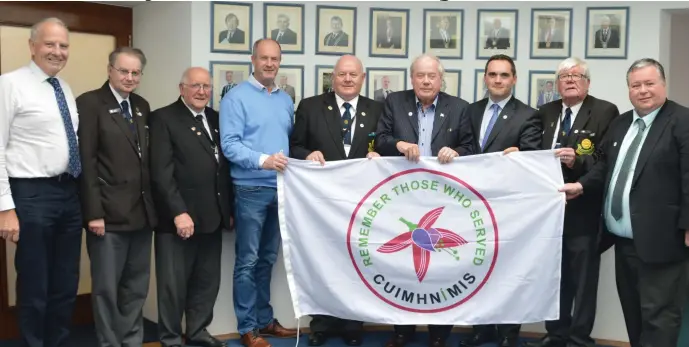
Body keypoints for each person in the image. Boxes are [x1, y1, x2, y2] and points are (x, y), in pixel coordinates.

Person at [561, 58, 689, 347]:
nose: (643, 90)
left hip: (664, 239)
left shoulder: (682, 121)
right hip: (623, 241)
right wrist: (581, 185)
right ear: (629, 90)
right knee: (634, 314)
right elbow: (603, 165)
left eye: (649, 83)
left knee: (659, 317)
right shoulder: (621, 124)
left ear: (663, 85)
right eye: (636, 85)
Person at [375, 53, 473, 347]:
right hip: (402, 198)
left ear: (441, 79)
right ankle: (401, 332)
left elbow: (471, 146)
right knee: (400, 266)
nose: (426, 81)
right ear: (412, 78)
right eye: (420, 75)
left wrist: (456, 153)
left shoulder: (460, 107)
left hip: (444, 201)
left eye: (432, 76)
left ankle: (439, 334)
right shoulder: (395, 103)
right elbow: (380, 139)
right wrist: (399, 144)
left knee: (441, 268)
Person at [0, 17, 82, 347]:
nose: (57, 51)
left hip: (68, 193)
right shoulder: (9, 84)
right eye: (50, 44)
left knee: (65, 282)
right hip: (30, 194)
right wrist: (5, 207)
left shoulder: (64, 87)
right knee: (35, 282)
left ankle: (58, 342)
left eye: (63, 45)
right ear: (32, 46)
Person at [290, 54, 382, 346]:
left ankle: (353, 325)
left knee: (357, 262)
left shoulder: (377, 109)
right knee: (324, 262)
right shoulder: (311, 106)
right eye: (341, 74)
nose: (347, 79)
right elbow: (295, 145)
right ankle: (322, 325)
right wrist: (307, 154)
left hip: (362, 202)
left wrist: (380, 155)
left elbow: (387, 145)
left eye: (353, 75)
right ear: (333, 77)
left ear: (362, 78)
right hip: (321, 204)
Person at [527, 57, 619, 347]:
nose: (569, 80)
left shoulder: (605, 111)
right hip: (549, 212)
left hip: (584, 211)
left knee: (583, 280)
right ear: (557, 83)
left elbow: (606, 159)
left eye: (576, 75)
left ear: (587, 82)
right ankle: (556, 334)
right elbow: (532, 155)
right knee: (555, 276)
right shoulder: (544, 112)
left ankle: (579, 338)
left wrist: (577, 161)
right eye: (564, 76)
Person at [220, 38, 299, 347]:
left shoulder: (285, 99)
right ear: (252, 59)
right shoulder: (235, 97)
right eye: (264, 58)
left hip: (281, 189)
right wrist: (263, 160)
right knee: (248, 261)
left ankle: (265, 319)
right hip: (250, 189)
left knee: (268, 259)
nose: (269, 63)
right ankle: (247, 327)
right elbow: (229, 145)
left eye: (275, 58)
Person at [459, 54, 542, 347]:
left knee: (509, 270)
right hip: (473, 204)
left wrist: (519, 154)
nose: (497, 80)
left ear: (514, 79)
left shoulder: (529, 114)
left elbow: (532, 156)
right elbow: (466, 148)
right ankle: (480, 330)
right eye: (492, 74)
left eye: (504, 75)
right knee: (478, 267)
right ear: (484, 78)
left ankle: (508, 334)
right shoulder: (470, 111)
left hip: (509, 206)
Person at [76, 46, 156, 347]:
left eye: (136, 72)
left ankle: (132, 341)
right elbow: (87, 160)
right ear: (109, 69)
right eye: (124, 70)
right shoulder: (90, 103)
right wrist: (93, 212)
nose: (129, 77)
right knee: (107, 290)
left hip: (141, 214)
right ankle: (109, 343)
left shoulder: (142, 106)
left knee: (136, 288)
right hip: (107, 217)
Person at [149, 67, 234, 347]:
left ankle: (197, 331)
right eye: (195, 86)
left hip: (212, 217)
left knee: (206, 282)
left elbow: (223, 167)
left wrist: (228, 210)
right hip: (178, 220)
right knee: (173, 286)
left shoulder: (217, 119)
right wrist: (178, 212)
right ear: (181, 88)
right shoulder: (163, 118)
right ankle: (171, 338)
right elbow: (161, 173)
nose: (201, 92)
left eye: (206, 87)